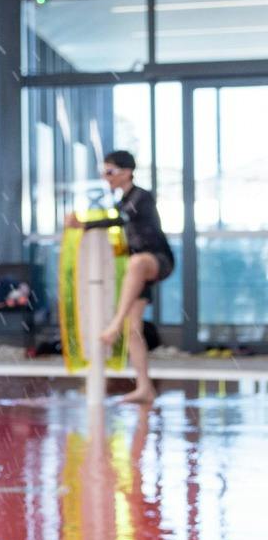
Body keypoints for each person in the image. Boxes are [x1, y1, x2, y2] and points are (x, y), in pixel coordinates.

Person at [97, 148, 172, 405]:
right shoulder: (120, 201)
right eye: (103, 172)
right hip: (136, 271)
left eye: (110, 171)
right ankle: (144, 387)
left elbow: (120, 219)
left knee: (138, 261)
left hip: (157, 261)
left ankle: (114, 324)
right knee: (134, 329)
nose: (106, 176)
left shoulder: (141, 197)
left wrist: (85, 224)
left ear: (127, 172)